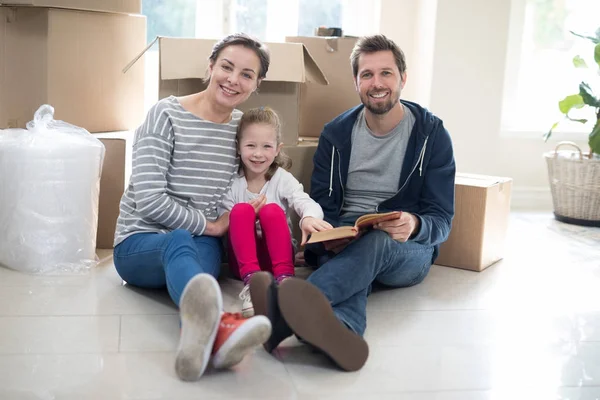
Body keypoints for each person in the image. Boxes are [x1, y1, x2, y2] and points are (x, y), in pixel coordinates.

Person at [249, 34, 456, 372]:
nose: (377, 83)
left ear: (403, 78)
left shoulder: (431, 135)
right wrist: (324, 238)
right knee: (358, 262)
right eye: (367, 75)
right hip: (345, 240)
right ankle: (343, 331)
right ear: (356, 82)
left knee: (375, 239)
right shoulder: (336, 133)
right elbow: (324, 205)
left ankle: (281, 315)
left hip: (407, 249)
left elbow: (442, 219)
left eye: (386, 73)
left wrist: (414, 224)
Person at [112, 33, 273, 381]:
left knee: (190, 244)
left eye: (247, 74)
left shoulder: (241, 128)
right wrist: (212, 226)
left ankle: (205, 335)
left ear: (257, 84)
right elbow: (149, 199)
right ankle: (222, 329)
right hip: (140, 243)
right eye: (226, 67)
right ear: (210, 66)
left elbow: (253, 182)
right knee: (179, 240)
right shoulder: (165, 114)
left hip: (201, 244)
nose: (233, 79)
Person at [218, 107, 331, 318]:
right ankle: (252, 285)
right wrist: (248, 215)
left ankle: (285, 281)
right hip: (243, 262)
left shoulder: (281, 179)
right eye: (250, 145)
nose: (258, 154)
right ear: (238, 147)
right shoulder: (232, 182)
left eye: (266, 146)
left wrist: (308, 217)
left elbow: (306, 202)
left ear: (277, 149)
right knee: (240, 211)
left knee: (271, 211)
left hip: (277, 257)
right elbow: (222, 221)